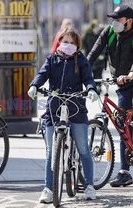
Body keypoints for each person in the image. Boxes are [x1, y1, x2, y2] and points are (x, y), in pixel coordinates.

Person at [28, 28, 98, 203]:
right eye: (65, 41)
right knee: (51, 151)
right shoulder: (51, 59)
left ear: (77, 45)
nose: (68, 45)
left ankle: (89, 185)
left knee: (83, 148)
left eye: (72, 43)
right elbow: (42, 74)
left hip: (76, 106)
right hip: (54, 106)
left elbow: (88, 78)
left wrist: (90, 89)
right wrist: (35, 86)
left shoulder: (80, 59)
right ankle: (48, 189)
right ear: (59, 41)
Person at [87, 5, 133, 187]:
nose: (114, 22)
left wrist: (130, 75)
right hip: (121, 83)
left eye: (118, 19)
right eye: (113, 19)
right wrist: (81, 71)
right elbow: (94, 52)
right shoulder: (109, 32)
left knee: (126, 121)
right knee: (122, 122)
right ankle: (125, 172)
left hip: (129, 77)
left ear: (129, 20)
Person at [82, 19, 105, 94]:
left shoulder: (101, 34)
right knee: (89, 74)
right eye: (95, 26)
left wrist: (103, 55)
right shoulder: (87, 34)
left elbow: (104, 46)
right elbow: (83, 45)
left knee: (98, 74)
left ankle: (98, 87)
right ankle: (91, 87)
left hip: (100, 59)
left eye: (98, 26)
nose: (97, 28)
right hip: (90, 57)